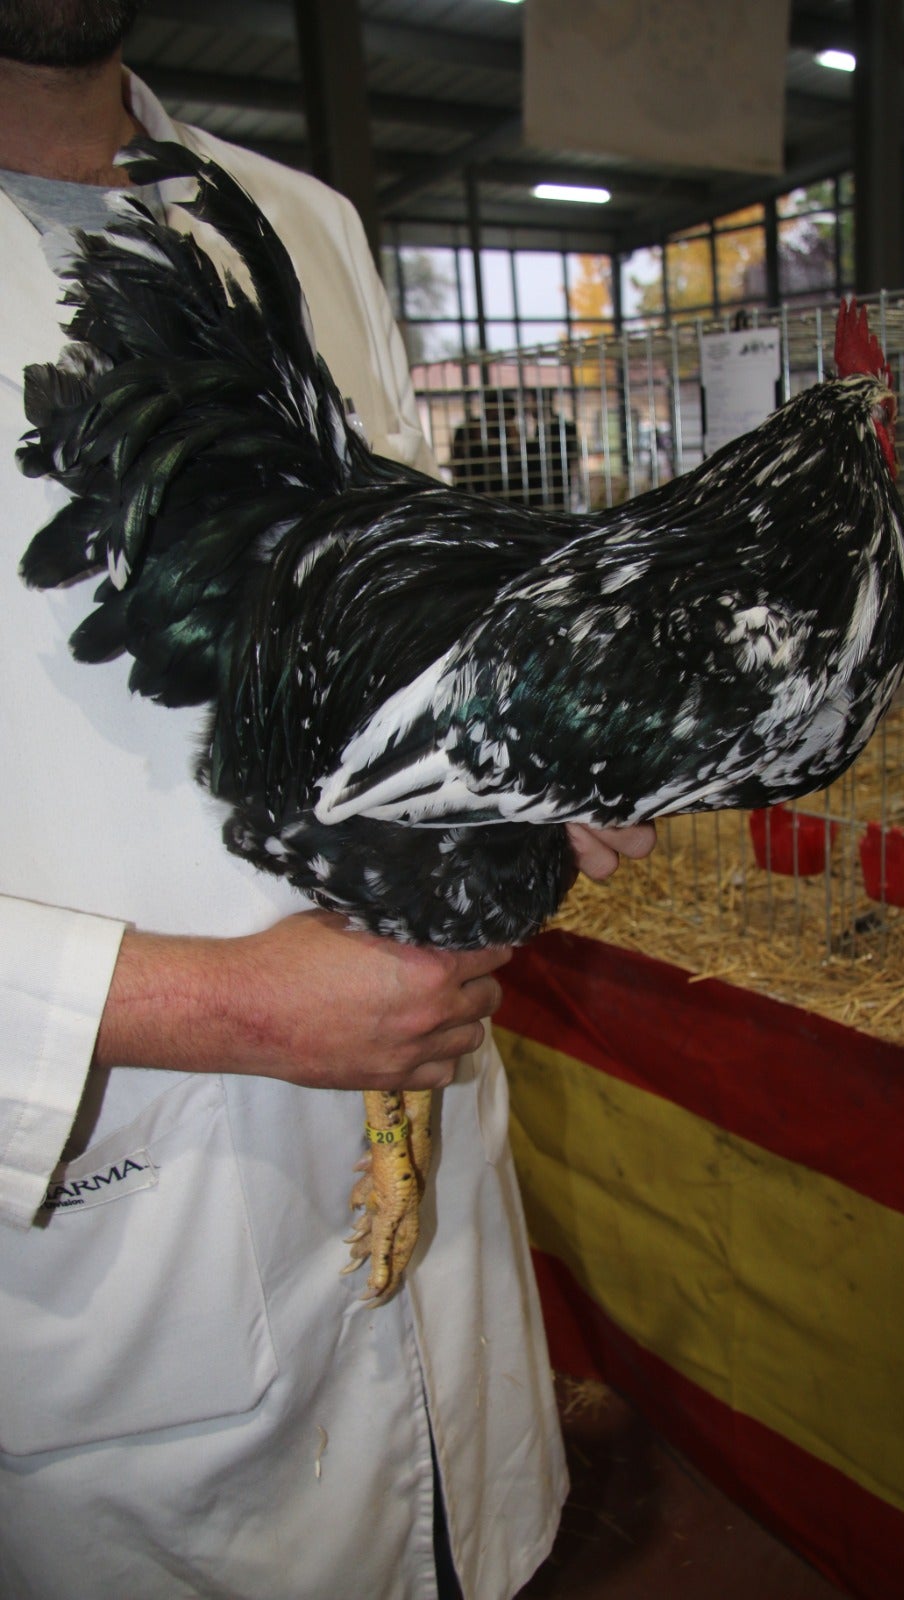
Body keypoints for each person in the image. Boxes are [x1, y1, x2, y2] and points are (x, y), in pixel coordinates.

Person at [0, 7, 656, 1597]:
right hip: (113, 1245)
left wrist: (519, 747)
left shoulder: (304, 222)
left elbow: (373, 616)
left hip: (419, 1179)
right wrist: (209, 1006)